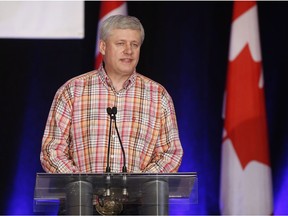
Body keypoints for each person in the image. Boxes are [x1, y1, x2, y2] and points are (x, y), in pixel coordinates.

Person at [40, 14, 183, 175]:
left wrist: (138, 185)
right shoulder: (72, 91)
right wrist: (82, 186)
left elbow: (170, 154)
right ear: (102, 47)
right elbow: (52, 151)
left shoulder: (158, 95)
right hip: (82, 199)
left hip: (138, 199)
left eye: (134, 45)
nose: (129, 51)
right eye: (121, 43)